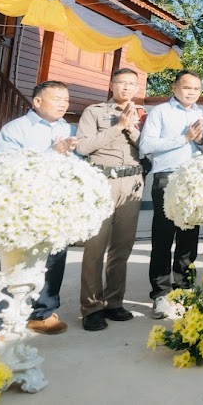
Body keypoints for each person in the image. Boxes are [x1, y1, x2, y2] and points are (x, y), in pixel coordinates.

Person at [0, 80, 79, 336]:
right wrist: (52, 151)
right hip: (22, 207)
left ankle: (42, 313)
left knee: (54, 259)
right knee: (12, 261)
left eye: (66, 100)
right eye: (57, 99)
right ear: (37, 101)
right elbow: (5, 165)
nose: (63, 104)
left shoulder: (67, 128)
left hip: (56, 204)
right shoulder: (16, 129)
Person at [75, 68, 144, 332]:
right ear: (112, 84)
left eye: (131, 84)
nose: (126, 88)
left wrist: (133, 128)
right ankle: (91, 307)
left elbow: (148, 147)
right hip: (102, 182)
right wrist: (118, 127)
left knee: (122, 247)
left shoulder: (143, 114)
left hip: (132, 182)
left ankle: (113, 302)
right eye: (121, 82)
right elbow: (83, 147)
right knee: (95, 246)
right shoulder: (94, 112)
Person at [138, 70, 203, 319]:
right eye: (187, 87)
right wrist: (184, 138)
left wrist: (198, 140)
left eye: (197, 89)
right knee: (163, 238)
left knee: (189, 238)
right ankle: (161, 294)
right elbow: (146, 145)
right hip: (166, 179)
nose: (192, 92)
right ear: (174, 88)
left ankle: (185, 289)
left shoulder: (201, 113)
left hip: (193, 180)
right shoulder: (160, 112)